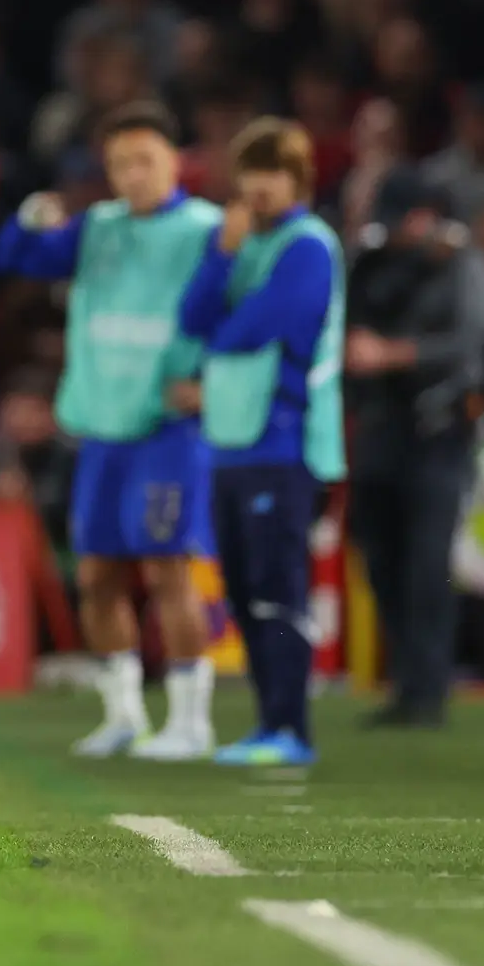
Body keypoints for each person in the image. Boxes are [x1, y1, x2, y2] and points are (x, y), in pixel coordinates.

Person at [0, 101, 223, 761]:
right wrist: (36, 211)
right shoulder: (97, 226)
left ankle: (189, 718)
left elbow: (238, 311)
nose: (132, 173)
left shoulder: (207, 230)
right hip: (101, 427)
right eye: (120, 162)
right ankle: (123, 713)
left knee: (167, 568)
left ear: (176, 161)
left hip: (168, 428)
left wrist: (210, 385)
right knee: (96, 574)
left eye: (145, 159)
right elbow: (17, 258)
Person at [178, 119, 346, 766]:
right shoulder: (242, 241)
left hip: (285, 439)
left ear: (297, 178)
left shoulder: (309, 245)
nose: (257, 186)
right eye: (250, 173)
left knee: (279, 586)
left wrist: (225, 314)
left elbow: (255, 327)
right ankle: (268, 722)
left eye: (271, 172)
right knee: (246, 588)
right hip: (231, 439)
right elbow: (193, 319)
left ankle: (292, 728)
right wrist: (221, 254)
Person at [344, 169, 484, 727]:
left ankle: (429, 688)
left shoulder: (463, 264)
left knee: (429, 562)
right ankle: (407, 680)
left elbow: (470, 342)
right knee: (381, 554)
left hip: (440, 429)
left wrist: (393, 353)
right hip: (383, 427)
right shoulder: (375, 262)